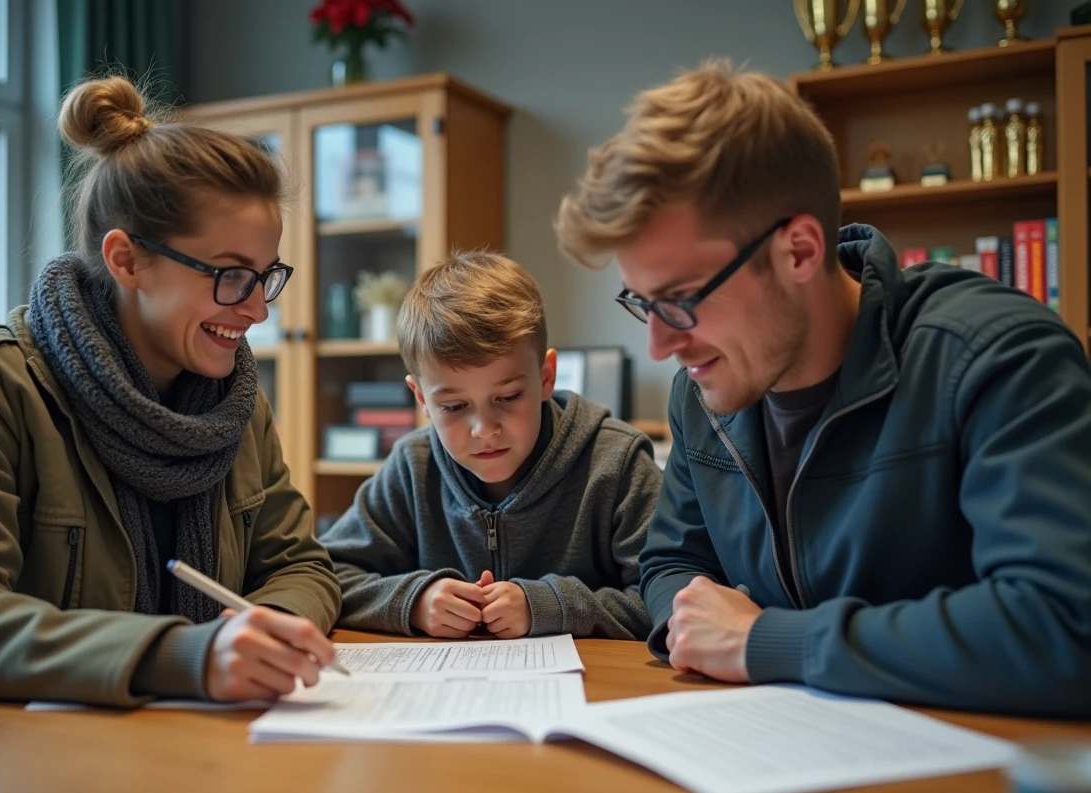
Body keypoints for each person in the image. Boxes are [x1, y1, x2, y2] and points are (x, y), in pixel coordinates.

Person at [555, 61, 1091, 716]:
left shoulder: (996, 356)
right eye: (644, 303)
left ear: (801, 251)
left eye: (682, 300)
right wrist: (698, 627)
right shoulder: (701, 389)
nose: (660, 346)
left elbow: (1064, 624)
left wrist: (767, 641)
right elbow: (670, 564)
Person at [0, 76, 342, 707]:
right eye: (232, 275)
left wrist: (267, 628)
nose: (258, 312)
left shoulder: (235, 398)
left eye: (265, 278)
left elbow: (300, 565)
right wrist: (180, 656)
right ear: (127, 260)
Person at [320, 251, 660, 640]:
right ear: (421, 399)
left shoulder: (617, 463)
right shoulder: (413, 467)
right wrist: (412, 600)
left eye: (508, 396)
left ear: (546, 376)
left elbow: (668, 598)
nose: (483, 428)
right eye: (453, 406)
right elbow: (325, 575)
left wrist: (548, 606)